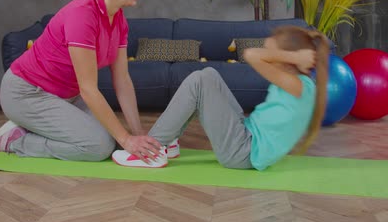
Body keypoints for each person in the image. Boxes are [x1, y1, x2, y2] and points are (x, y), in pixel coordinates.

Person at [0, 0, 163, 163]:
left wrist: (136, 133)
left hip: (66, 97)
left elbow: (122, 80)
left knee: (114, 139)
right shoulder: (83, 15)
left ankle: (35, 129)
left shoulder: (119, 19)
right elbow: (88, 89)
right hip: (26, 94)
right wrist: (127, 140)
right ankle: (15, 141)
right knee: (98, 147)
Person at [111, 26, 329, 170]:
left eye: (272, 54)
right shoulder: (301, 85)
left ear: (288, 59)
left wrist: (292, 56)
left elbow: (250, 55)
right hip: (246, 136)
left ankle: (150, 151)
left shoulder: (298, 86)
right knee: (208, 75)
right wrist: (290, 57)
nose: (269, 58)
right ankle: (168, 144)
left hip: (243, 152)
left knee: (200, 81)